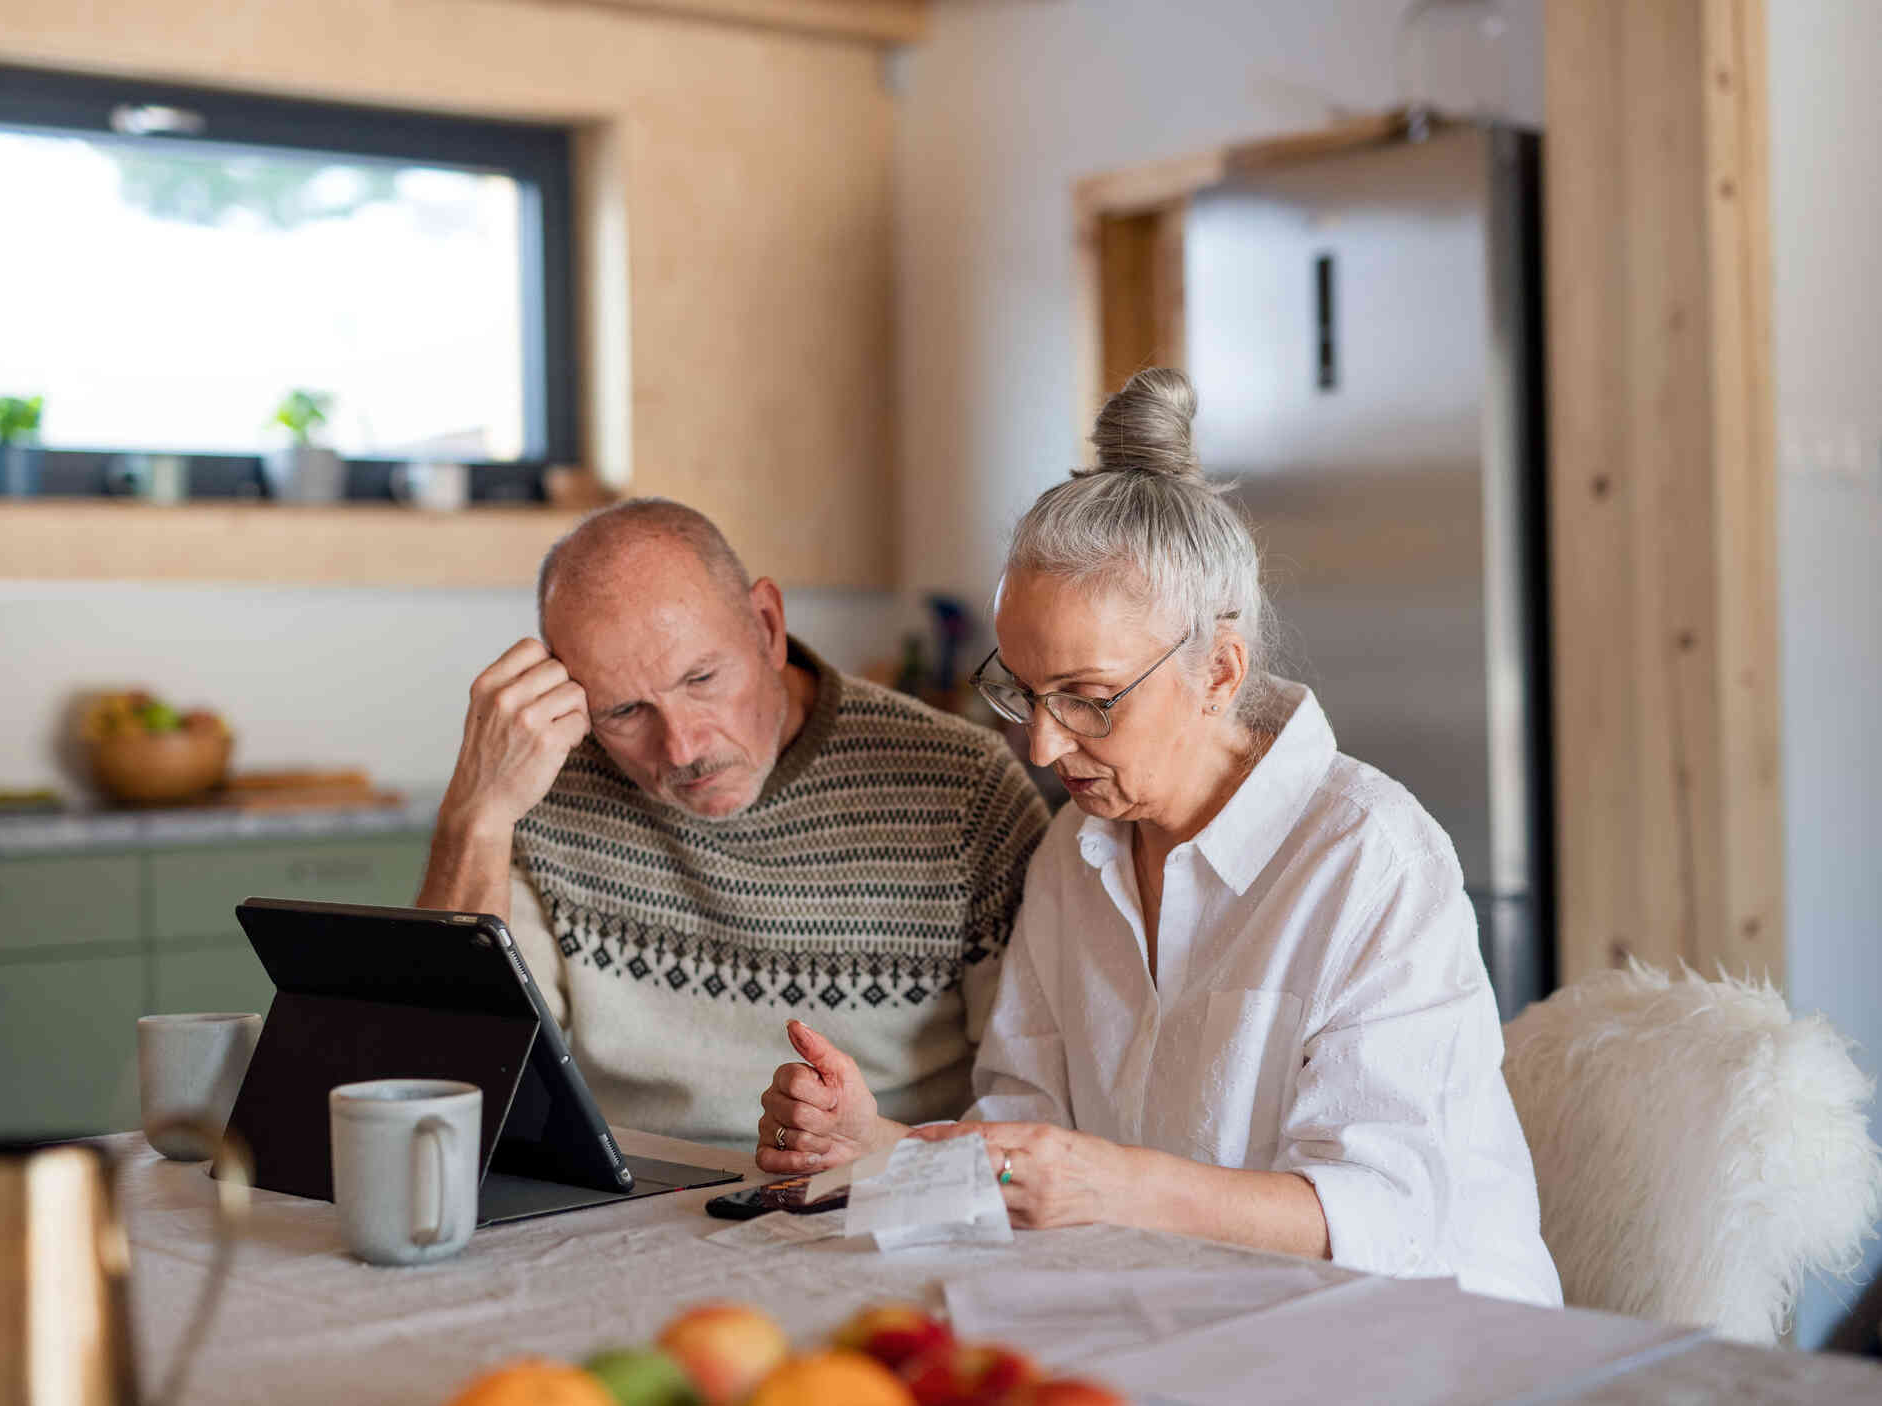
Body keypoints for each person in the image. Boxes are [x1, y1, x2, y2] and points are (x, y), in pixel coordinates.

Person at [756, 369, 1562, 1306]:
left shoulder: (1369, 859)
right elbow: (1026, 1141)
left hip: (1431, 1343)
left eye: (1090, 701)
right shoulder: (1076, 852)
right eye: (1020, 690)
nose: (1045, 744)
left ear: (1219, 670)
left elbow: (1388, 1215)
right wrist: (877, 1147)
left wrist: (1116, 1186)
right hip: (1183, 1313)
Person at [416, 498, 1049, 1147]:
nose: (683, 748)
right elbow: (453, 1081)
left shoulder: (964, 786)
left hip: (879, 1199)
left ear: (767, 625)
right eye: (625, 710)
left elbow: (1035, 1107)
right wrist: (476, 814)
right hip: (624, 1200)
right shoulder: (543, 781)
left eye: (701, 678)